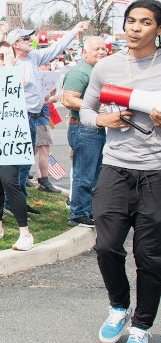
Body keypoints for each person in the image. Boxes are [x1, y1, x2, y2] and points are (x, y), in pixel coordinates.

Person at [80, 0, 161, 343]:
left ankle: (141, 326)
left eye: (145, 22)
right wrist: (103, 120)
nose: (135, 28)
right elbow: (86, 109)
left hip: (156, 173)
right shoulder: (107, 66)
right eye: (131, 21)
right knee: (107, 246)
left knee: (150, 256)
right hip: (115, 168)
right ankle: (119, 307)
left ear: (158, 29)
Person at [10, 21, 90, 214]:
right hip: (20, 117)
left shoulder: (33, 57)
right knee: (17, 163)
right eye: (25, 38)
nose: (30, 40)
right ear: (15, 44)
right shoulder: (10, 62)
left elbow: (56, 49)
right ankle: (12, 203)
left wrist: (74, 31)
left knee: (25, 162)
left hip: (35, 116)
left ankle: (20, 201)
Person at [0, 41, 38, 250]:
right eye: (3, 56)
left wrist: (10, 69)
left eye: (10, 55)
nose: (7, 59)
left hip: (10, 138)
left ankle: (25, 233)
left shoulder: (17, 76)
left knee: (10, 182)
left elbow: (15, 87)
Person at [61, 36, 107, 228]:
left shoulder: (97, 70)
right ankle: (78, 213)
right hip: (83, 127)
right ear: (85, 52)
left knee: (95, 173)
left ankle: (88, 210)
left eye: (104, 48)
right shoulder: (80, 72)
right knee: (84, 173)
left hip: (96, 127)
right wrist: (93, 108)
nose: (101, 52)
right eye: (97, 49)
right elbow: (68, 99)